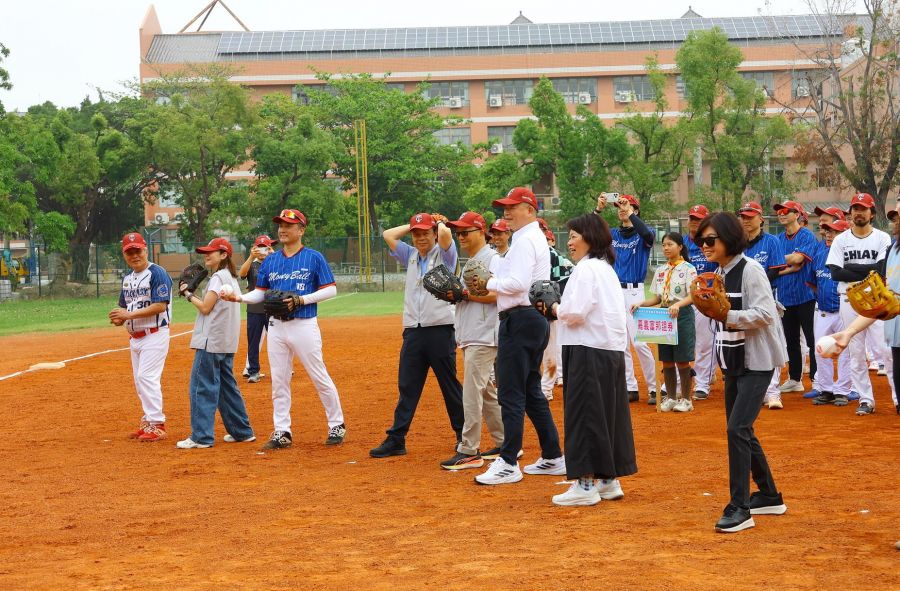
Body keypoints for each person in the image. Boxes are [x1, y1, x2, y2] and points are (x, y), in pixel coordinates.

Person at [695, 212, 788, 533]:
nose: (705, 245)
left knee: (737, 429)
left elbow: (765, 313)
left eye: (711, 240)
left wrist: (727, 313)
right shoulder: (719, 272)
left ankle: (740, 507)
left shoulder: (751, 270)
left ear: (729, 239)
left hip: (757, 361)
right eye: (702, 240)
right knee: (742, 430)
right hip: (732, 360)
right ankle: (770, 495)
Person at [223, 209, 346, 449]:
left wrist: (301, 300)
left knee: (318, 375)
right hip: (276, 326)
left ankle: (336, 424)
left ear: (301, 230)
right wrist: (238, 298)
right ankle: (282, 431)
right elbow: (260, 292)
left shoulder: (313, 257)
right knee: (279, 381)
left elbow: (331, 289)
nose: (283, 229)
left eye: (289, 225)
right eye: (280, 224)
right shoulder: (271, 260)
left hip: (304, 324)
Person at [539, 213, 637, 506]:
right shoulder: (606, 269)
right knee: (608, 415)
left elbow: (576, 312)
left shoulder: (585, 269)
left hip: (585, 349)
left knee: (584, 415)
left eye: (574, 236)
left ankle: (585, 484)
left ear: (590, 238)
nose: (569, 242)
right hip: (609, 350)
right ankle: (608, 480)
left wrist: (553, 307)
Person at [473, 187, 564, 485]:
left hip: (520, 319)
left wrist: (489, 282)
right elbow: (510, 271)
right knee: (531, 392)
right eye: (504, 208)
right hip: (531, 319)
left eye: (512, 207)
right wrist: (493, 262)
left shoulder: (526, 239)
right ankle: (552, 455)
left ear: (530, 209)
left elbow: (518, 283)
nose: (506, 212)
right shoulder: (526, 239)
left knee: (511, 393)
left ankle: (508, 461)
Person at [370, 212, 464, 457]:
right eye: (417, 233)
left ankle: (463, 435)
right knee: (408, 387)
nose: (421, 237)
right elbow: (388, 235)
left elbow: (445, 235)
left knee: (449, 385)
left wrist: (438, 222)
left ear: (433, 233)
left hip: (441, 329)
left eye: (425, 232)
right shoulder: (410, 255)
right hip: (414, 330)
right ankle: (397, 439)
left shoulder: (445, 254)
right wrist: (414, 223)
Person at [439, 212, 505, 470]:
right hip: (472, 333)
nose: (461, 236)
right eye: (458, 233)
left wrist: (464, 295)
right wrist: (457, 295)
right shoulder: (472, 261)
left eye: (466, 231)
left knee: (472, 391)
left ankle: (469, 449)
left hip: (484, 334)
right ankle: (505, 441)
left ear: (481, 232)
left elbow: (497, 294)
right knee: (486, 391)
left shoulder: (493, 259)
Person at [176, 238, 255, 448]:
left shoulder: (218, 278)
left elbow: (205, 308)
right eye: (206, 251)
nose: (206, 255)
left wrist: (187, 294)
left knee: (201, 387)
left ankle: (201, 437)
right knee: (226, 388)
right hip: (226, 342)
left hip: (210, 342)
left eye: (212, 252)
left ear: (224, 255)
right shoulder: (231, 277)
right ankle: (242, 431)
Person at [825, 192, 896, 415]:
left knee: (886, 351)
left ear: (872, 213)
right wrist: (869, 270)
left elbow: (882, 269)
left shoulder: (882, 238)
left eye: (863, 208)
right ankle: (865, 399)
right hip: (849, 300)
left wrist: (853, 270)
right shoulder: (841, 239)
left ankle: (897, 398)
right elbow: (836, 273)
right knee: (855, 352)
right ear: (850, 213)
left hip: (877, 300)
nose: (858, 212)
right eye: (855, 208)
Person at [108, 232, 173, 442]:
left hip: (155, 333)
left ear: (146, 250)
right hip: (135, 336)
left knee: (147, 377)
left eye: (138, 250)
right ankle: (148, 420)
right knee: (139, 381)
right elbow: (124, 306)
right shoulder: (128, 278)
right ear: (124, 255)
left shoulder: (157, 273)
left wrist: (129, 315)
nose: (135, 255)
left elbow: (160, 305)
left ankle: (157, 424)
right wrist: (119, 317)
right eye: (130, 252)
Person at [595, 193, 657, 403]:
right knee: (621, 343)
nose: (621, 208)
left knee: (639, 343)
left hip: (634, 292)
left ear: (635, 210)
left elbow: (648, 236)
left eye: (626, 205)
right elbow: (591, 234)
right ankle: (630, 387)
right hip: (615, 291)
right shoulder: (612, 234)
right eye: (619, 206)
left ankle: (654, 387)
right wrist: (599, 209)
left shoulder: (644, 233)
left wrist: (631, 211)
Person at [631, 232, 697, 412]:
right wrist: (641, 304)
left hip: (681, 315)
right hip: (664, 316)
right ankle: (670, 397)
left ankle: (686, 399)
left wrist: (678, 305)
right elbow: (658, 297)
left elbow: (693, 295)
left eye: (670, 244)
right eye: (664, 245)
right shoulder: (661, 271)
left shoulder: (688, 269)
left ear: (680, 247)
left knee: (682, 360)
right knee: (666, 360)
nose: (666, 248)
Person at [738, 201, 788, 409]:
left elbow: (775, 270)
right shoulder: (737, 243)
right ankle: (754, 393)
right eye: (743, 216)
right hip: (741, 301)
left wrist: (754, 286)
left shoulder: (771, 241)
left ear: (761, 219)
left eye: (751, 216)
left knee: (770, 342)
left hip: (767, 299)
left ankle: (774, 392)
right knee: (747, 346)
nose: (746, 220)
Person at [773, 200, 818, 393]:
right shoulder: (777, 239)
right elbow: (776, 265)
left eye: (785, 211)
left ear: (797, 214)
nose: (781, 214)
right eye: (779, 211)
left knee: (812, 339)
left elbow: (799, 260)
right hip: (785, 296)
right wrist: (788, 265)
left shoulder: (807, 235)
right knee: (790, 340)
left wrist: (784, 263)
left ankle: (817, 379)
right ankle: (794, 378)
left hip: (806, 296)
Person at [809, 219, 853, 407]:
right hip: (824, 312)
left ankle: (842, 391)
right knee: (821, 351)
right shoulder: (819, 254)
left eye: (833, 231)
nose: (828, 233)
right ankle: (826, 389)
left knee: (845, 353)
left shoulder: (849, 256)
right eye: (827, 230)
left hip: (844, 310)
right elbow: (812, 281)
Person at [684, 204, 718, 400]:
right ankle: (680, 380)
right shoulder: (683, 244)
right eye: (692, 218)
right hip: (685, 300)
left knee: (706, 343)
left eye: (699, 219)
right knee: (686, 342)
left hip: (706, 299)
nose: (694, 222)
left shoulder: (713, 242)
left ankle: (702, 384)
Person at [540, 224, 573, 399]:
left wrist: (554, 303)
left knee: (551, 345)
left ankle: (546, 387)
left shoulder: (552, 255)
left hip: (551, 305)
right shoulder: (533, 253)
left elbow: (569, 277)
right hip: (536, 305)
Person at [238, 235, 277, 383]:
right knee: (253, 342)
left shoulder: (273, 262)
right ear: (254, 248)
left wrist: (274, 256)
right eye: (259, 247)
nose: (262, 251)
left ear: (269, 248)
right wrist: (250, 257)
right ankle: (253, 371)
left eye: (265, 247)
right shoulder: (252, 264)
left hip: (273, 307)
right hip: (254, 308)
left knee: (276, 340)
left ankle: (280, 369)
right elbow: (242, 274)